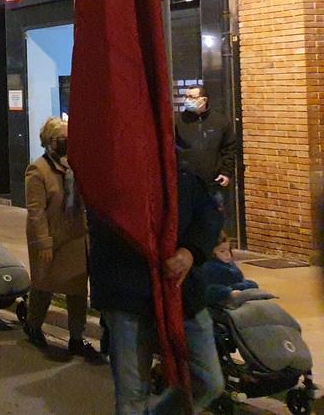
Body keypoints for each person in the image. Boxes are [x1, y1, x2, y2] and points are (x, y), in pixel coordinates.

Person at [89, 172, 225, 413]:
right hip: (127, 293)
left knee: (209, 381)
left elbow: (207, 214)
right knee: (132, 395)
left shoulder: (179, 170)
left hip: (182, 291)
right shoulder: (111, 169)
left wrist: (191, 251)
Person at [23, 117, 100, 361]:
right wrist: (43, 241)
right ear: (50, 142)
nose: (68, 143)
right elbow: (36, 211)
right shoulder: (39, 169)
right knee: (43, 285)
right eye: (62, 139)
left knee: (77, 290)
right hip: (50, 237)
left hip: (76, 237)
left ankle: (76, 337)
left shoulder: (75, 167)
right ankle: (33, 325)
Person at [175, 86, 237, 211]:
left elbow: (229, 148)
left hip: (212, 183)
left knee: (212, 221)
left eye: (191, 97)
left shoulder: (220, 121)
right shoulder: (177, 121)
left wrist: (226, 172)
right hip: (185, 182)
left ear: (203, 100)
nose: (187, 100)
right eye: (186, 96)